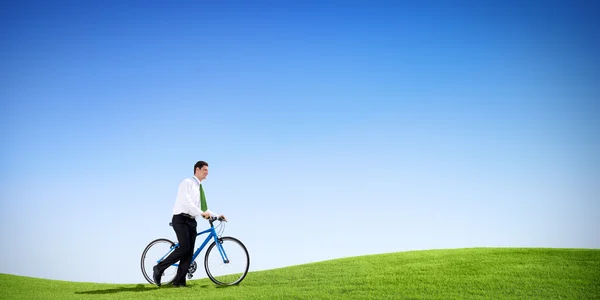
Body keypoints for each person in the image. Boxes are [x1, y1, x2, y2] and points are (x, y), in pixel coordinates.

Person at [153, 160, 226, 287]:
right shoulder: (187, 182)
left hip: (192, 221)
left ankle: (179, 282)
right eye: (205, 170)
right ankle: (159, 268)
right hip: (180, 219)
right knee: (184, 248)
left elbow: (204, 209)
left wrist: (217, 215)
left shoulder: (200, 188)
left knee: (189, 252)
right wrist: (201, 213)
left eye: (208, 170)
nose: (207, 173)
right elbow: (187, 202)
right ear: (197, 169)